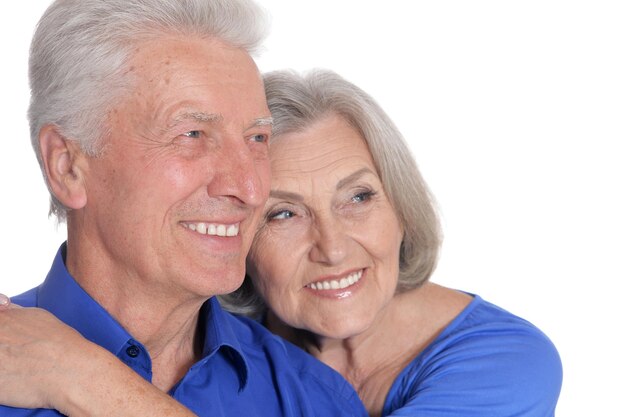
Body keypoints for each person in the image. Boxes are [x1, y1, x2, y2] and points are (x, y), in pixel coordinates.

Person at [1, 68, 562, 416]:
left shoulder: (508, 360)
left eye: (359, 198)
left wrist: (81, 376)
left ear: (402, 207)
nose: (333, 247)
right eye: (285, 213)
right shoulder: (221, 337)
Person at [0, 1, 369, 416]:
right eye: (192, 134)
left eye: (257, 139)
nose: (249, 189)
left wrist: (86, 379)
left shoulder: (315, 399)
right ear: (67, 166)